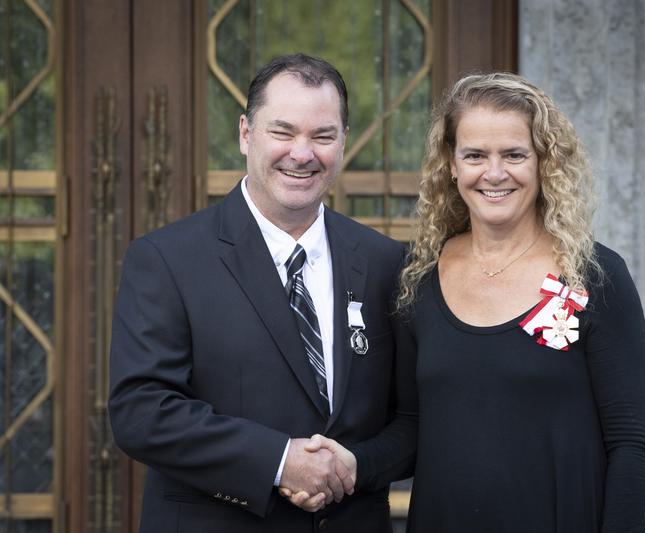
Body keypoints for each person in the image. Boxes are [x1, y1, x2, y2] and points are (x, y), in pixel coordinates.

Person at [108, 53, 417, 533]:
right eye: (283, 132)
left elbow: (412, 419)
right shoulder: (167, 259)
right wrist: (279, 460)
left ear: (343, 143)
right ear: (245, 134)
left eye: (322, 136)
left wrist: (356, 467)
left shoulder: (384, 262)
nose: (302, 153)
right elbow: (142, 412)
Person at [395, 72, 645, 532]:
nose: (494, 173)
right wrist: (342, 466)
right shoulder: (418, 278)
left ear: (543, 163)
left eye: (514, 154)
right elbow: (409, 427)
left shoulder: (591, 276)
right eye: (475, 155)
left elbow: (631, 443)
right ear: (451, 165)